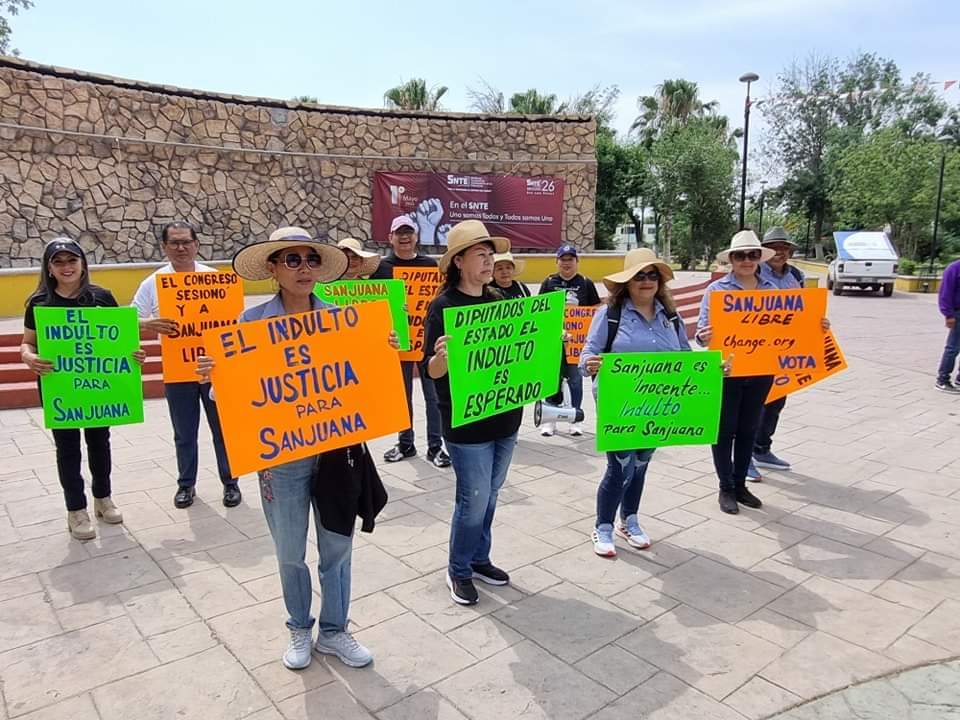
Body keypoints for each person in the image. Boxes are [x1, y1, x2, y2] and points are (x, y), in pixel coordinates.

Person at [199, 226, 392, 671]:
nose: (303, 268)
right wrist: (214, 379)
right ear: (273, 269)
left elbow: (364, 383)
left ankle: (335, 630)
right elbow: (234, 398)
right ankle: (299, 627)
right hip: (280, 460)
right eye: (292, 260)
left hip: (336, 457)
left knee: (337, 549)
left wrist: (380, 354)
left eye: (310, 260)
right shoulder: (251, 325)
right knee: (289, 552)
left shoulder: (341, 319)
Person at [20, 238, 145, 540]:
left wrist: (134, 354)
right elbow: (27, 341)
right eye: (59, 261)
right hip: (59, 384)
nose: (66, 267)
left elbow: (120, 340)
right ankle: (75, 509)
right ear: (49, 268)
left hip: (99, 385)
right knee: (67, 447)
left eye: (72, 260)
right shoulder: (39, 303)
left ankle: (103, 498)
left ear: (83, 264)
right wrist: (28, 356)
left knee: (100, 440)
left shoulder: (102, 297)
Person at [423, 220, 516, 606]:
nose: (489, 260)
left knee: (490, 495)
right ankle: (458, 570)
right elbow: (428, 369)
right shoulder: (443, 307)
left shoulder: (501, 300)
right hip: (466, 422)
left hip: (506, 416)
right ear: (459, 261)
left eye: (491, 254)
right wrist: (442, 358)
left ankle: (479, 559)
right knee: (473, 498)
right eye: (481, 254)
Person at [580, 249, 691, 556]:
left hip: (659, 405)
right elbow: (588, 351)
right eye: (639, 276)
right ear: (626, 283)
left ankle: (629, 521)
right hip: (620, 404)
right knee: (619, 467)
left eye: (652, 275)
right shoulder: (610, 314)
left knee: (641, 464)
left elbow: (686, 357)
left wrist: (712, 370)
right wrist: (590, 363)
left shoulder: (671, 316)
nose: (646, 281)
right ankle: (603, 526)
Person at [131, 221, 239, 510]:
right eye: (174, 243)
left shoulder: (215, 280)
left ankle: (231, 482)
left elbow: (235, 323)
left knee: (223, 429)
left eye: (186, 242)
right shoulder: (153, 283)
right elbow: (129, 322)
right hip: (178, 371)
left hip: (214, 369)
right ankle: (185, 485)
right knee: (184, 432)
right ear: (164, 248)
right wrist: (148, 323)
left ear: (196, 245)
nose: (181, 248)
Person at [696, 231, 779, 515]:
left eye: (753, 255)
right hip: (726, 371)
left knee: (748, 429)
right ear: (731, 259)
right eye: (740, 255)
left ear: (759, 258)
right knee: (724, 430)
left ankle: (741, 483)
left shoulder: (773, 290)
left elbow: (788, 327)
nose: (747, 260)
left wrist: (817, 327)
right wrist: (704, 337)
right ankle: (726, 487)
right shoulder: (716, 291)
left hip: (760, 370)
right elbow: (701, 333)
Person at [370, 214, 450, 468]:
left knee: (433, 397)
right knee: (401, 397)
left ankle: (435, 447)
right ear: (390, 238)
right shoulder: (381, 269)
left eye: (409, 232)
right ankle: (405, 443)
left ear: (416, 236)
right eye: (399, 232)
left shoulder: (431, 266)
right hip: (397, 345)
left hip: (426, 344)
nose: (404, 237)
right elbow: (370, 305)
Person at [753, 226, 805, 472]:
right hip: (753, 348)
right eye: (773, 248)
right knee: (750, 404)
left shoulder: (796, 275)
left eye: (784, 248)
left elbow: (805, 308)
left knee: (776, 401)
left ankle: (762, 448)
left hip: (784, 350)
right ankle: (742, 455)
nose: (779, 252)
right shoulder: (753, 273)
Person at [539, 244, 601, 437]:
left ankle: (575, 418)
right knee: (552, 379)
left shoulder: (585, 283)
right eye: (563, 259)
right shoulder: (549, 282)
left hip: (577, 343)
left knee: (575, 380)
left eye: (570, 259)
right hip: (554, 340)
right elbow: (539, 308)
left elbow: (596, 308)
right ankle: (550, 420)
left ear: (577, 262)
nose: (567, 263)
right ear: (557, 262)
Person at [935, 257, 960, 393]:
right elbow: (945, 293)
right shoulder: (954, 268)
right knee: (953, 348)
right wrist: (948, 315)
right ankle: (943, 379)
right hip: (957, 313)